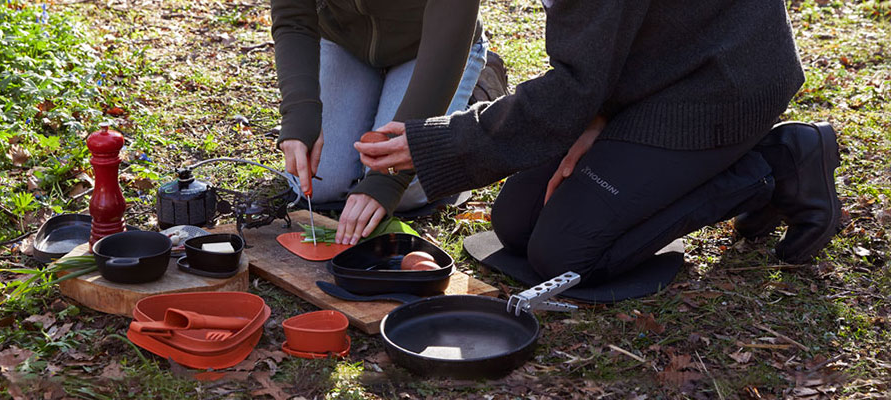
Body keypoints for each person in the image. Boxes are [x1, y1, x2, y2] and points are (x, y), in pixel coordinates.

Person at [354, 0, 841, 285]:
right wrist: (595, 116)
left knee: (565, 256)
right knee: (516, 224)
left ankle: (774, 168)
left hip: (720, 84)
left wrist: (444, 142)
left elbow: (573, 83)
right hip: (649, 69)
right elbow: (596, 50)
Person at [270, 0, 487, 246]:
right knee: (316, 183)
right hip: (344, 41)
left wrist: (390, 180)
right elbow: (293, 17)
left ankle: (471, 96)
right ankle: (381, 100)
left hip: (434, 47)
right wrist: (300, 112)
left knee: (407, 191)